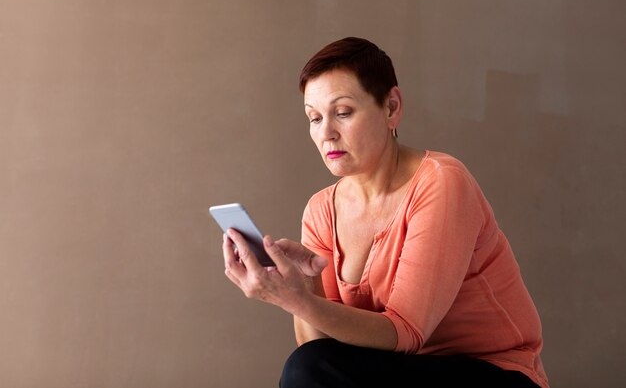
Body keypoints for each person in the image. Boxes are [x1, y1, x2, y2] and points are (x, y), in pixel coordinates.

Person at [222, 36, 550, 388]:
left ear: (391, 107)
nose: (326, 133)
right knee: (309, 364)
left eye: (343, 112)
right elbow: (320, 349)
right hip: (396, 372)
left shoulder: (442, 182)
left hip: (494, 374)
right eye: (314, 118)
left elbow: (407, 332)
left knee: (307, 369)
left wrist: (296, 301)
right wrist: (303, 285)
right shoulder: (321, 210)